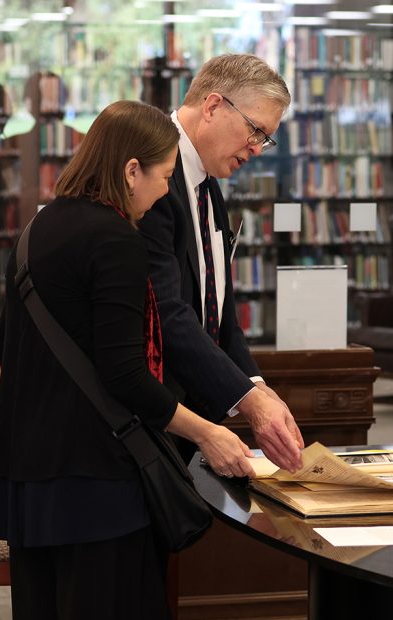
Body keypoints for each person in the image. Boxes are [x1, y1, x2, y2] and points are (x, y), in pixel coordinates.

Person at [0, 100, 257, 620]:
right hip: (95, 480)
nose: (163, 195)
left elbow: (12, 348)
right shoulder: (116, 240)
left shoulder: (39, 226)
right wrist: (207, 431)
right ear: (131, 170)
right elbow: (127, 375)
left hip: (27, 469)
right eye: (161, 178)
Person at [139, 53, 304, 473]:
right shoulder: (151, 177)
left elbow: (218, 308)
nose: (257, 149)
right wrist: (249, 402)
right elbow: (165, 310)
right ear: (213, 106)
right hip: (149, 425)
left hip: (188, 423)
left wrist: (257, 387)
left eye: (266, 139)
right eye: (256, 131)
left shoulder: (208, 182)